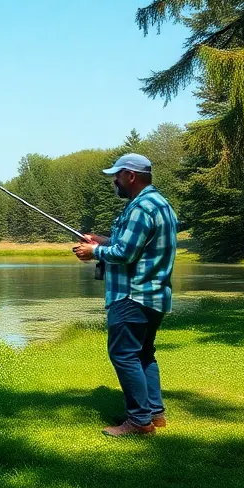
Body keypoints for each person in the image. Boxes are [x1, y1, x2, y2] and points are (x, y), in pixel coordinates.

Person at [72, 153, 178, 437]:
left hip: (132, 295)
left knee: (123, 355)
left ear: (131, 176)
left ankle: (139, 422)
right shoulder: (161, 204)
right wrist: (103, 240)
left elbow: (126, 253)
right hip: (154, 295)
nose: (114, 181)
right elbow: (134, 244)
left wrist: (93, 251)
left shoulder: (141, 208)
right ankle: (155, 414)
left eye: (117, 175)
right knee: (143, 354)